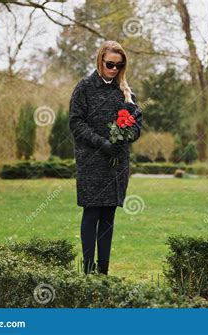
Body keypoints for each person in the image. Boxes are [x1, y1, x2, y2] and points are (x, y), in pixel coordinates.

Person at [68, 40, 143, 275]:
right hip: (91, 161)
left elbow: (137, 122)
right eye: (110, 64)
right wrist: (102, 143)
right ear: (100, 60)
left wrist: (126, 135)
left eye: (119, 66)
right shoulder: (84, 88)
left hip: (116, 163)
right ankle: (88, 271)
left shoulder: (126, 92)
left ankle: (103, 272)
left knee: (108, 215)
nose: (114, 70)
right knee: (92, 213)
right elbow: (75, 123)